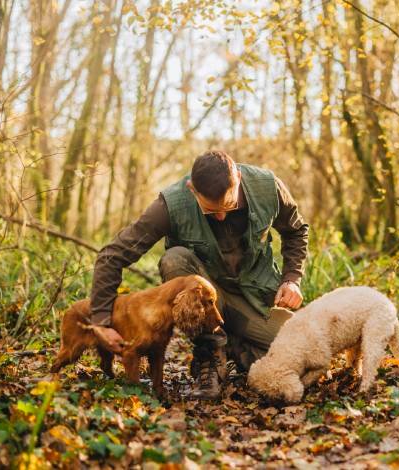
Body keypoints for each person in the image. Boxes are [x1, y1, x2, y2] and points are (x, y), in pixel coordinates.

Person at [88, 150, 309, 399]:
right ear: (192, 189)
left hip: (255, 298)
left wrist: (292, 279)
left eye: (229, 206)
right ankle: (210, 355)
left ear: (238, 176)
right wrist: (101, 321)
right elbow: (112, 256)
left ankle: (235, 344)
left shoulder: (268, 187)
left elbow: (296, 231)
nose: (221, 216)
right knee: (175, 259)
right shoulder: (171, 204)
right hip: (205, 295)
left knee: (300, 357)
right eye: (210, 211)